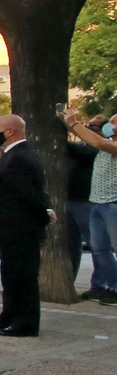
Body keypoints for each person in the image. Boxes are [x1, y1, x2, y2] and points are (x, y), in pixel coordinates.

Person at [0, 115, 55, 336]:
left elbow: (28, 193)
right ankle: (8, 316)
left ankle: (24, 323)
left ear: (9, 131)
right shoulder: (13, 154)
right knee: (11, 275)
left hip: (20, 228)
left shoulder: (20, 156)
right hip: (10, 228)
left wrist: (44, 213)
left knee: (23, 277)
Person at [62, 110, 117, 303]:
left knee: (112, 248)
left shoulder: (107, 145)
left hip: (112, 205)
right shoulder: (103, 146)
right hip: (97, 204)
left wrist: (73, 125)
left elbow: (99, 142)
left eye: (114, 124)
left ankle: (113, 287)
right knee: (99, 248)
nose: (111, 127)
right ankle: (104, 286)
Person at [65, 130, 98, 283]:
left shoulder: (97, 148)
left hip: (85, 201)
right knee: (71, 245)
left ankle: (103, 283)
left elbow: (79, 151)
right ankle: (69, 279)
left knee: (97, 246)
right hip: (69, 200)